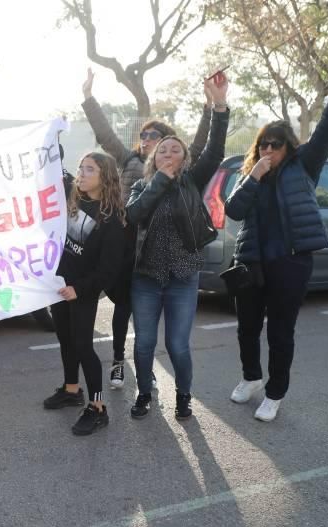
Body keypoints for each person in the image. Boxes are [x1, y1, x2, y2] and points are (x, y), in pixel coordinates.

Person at [225, 70, 328, 422]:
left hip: (290, 262)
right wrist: (254, 176)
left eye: (276, 143)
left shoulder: (304, 165)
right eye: (264, 143)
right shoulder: (248, 175)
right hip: (250, 261)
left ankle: (275, 392)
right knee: (246, 328)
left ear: (288, 147)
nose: (269, 148)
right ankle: (252, 377)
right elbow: (234, 210)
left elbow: (326, 132)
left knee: (280, 331)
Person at [81, 67, 213, 389]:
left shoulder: (181, 170)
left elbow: (201, 145)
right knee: (119, 311)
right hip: (123, 250)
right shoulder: (129, 162)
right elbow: (106, 136)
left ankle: (147, 374)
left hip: (152, 257)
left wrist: (211, 107)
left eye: (153, 136)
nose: (146, 140)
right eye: (143, 135)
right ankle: (117, 361)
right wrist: (88, 99)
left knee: (144, 323)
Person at [127, 71, 230, 421]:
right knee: (142, 344)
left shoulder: (192, 182)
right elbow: (134, 214)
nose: (169, 152)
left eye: (176, 149)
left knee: (176, 346)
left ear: (185, 160)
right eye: (162, 150)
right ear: (153, 159)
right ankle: (144, 392)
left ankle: (184, 395)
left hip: (183, 277)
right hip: (146, 278)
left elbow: (215, 148)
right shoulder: (143, 187)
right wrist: (159, 181)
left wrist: (218, 105)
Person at [42, 152, 125, 435]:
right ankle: (71, 389)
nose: (82, 173)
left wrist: (80, 288)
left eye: (90, 169)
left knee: (83, 347)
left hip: (82, 290)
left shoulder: (112, 218)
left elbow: (108, 269)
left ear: (105, 176)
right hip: (60, 285)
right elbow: (52, 165)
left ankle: (98, 407)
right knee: (65, 339)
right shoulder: (70, 195)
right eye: (81, 167)